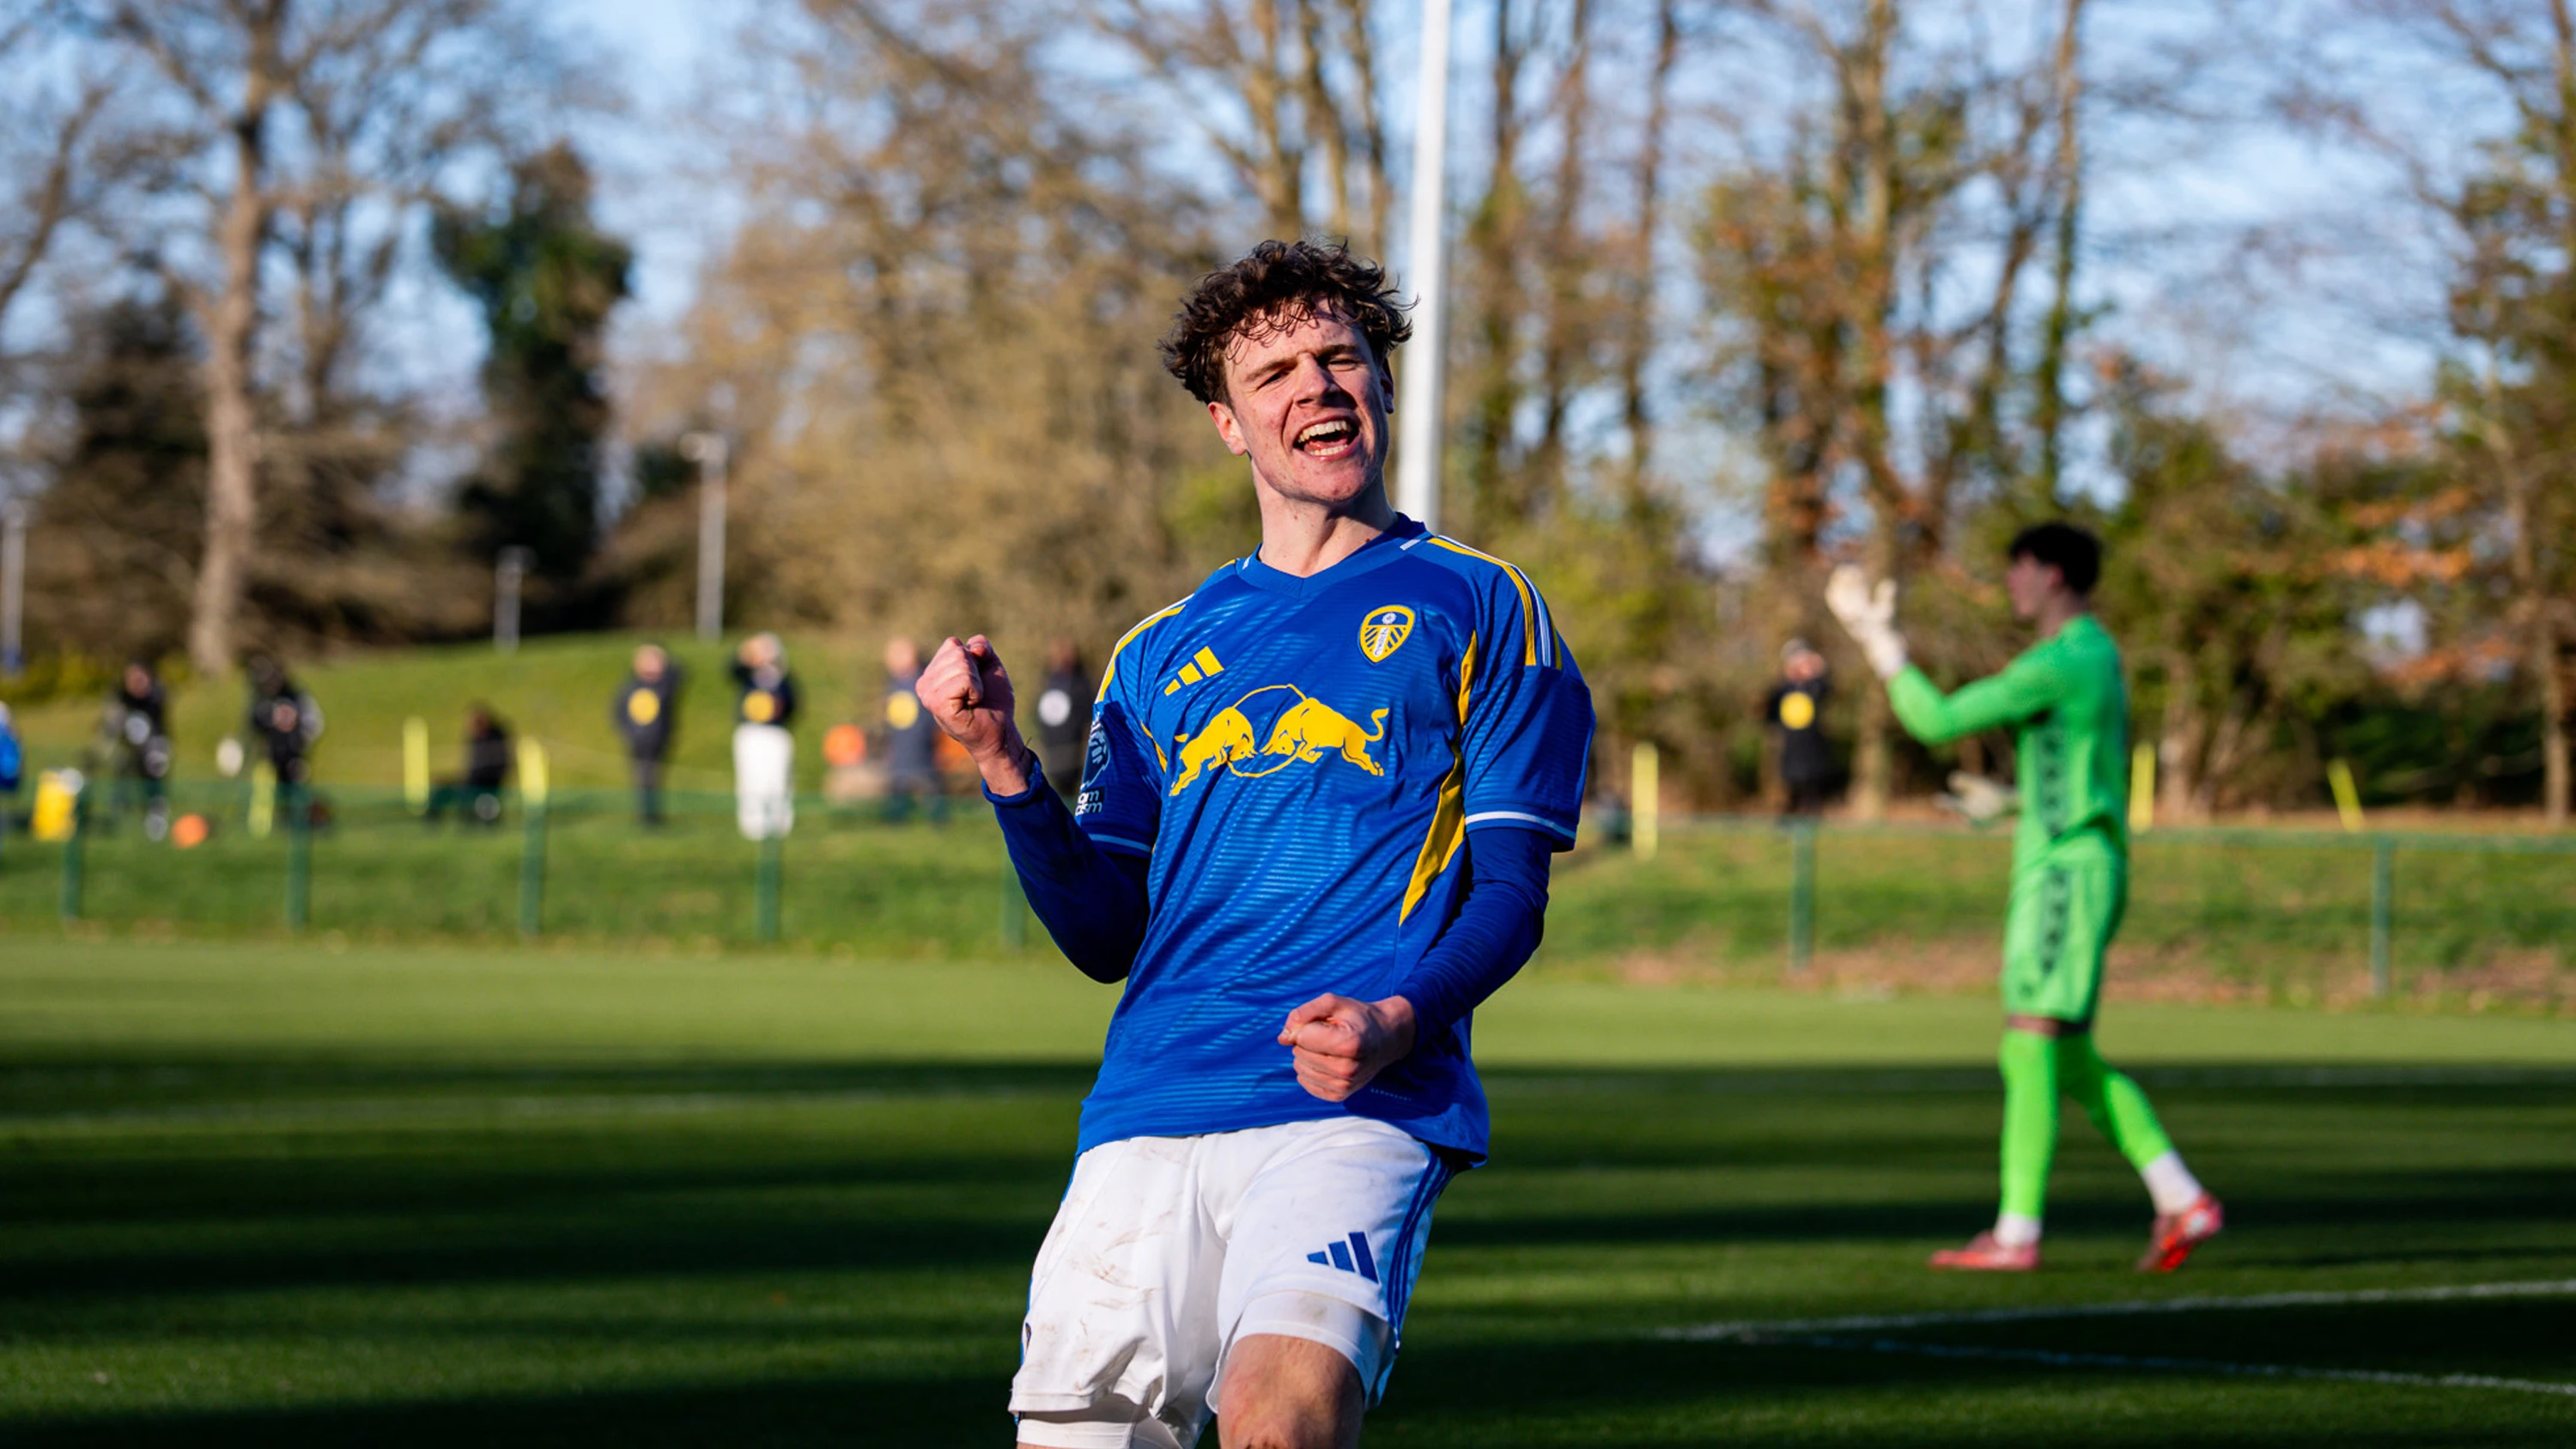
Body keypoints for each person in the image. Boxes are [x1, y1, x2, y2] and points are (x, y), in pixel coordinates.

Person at [920, 239, 1594, 1449]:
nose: (1317, 386)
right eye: (1275, 370)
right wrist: (1005, 762)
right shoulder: (1157, 653)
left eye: (1341, 356)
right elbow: (1102, 933)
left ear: (1382, 386)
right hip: (1149, 1103)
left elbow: (1511, 892)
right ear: (1231, 425)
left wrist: (1402, 1015)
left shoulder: (1485, 603)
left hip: (1355, 1105)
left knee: (1279, 1423)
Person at [1826, 522, 2222, 1274]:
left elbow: (1935, 720)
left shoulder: (2061, 661)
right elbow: (2084, 769)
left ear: (2052, 574)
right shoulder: (2096, 654)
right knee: (2063, 1054)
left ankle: (2016, 1234)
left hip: (2067, 873)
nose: (2010, 583)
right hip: (2072, 858)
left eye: (2019, 569)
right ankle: (2181, 1197)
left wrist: (1881, 644)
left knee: (2029, 1039)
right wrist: (2010, 803)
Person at [731, 633, 798, 840]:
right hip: (751, 733)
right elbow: (732, 669)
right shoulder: (748, 676)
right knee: (751, 777)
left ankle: (779, 823)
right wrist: (748, 652)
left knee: (777, 778)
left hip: (775, 733)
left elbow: (794, 705)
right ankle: (753, 824)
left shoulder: (784, 679)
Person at [101, 661, 174, 837]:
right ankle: (118, 817)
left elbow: (160, 728)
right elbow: (112, 724)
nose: (136, 682)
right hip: (129, 750)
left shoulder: (155, 697)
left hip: (153, 747)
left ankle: (156, 818)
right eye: (132, 678)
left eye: (140, 678)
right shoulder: (123, 698)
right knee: (122, 775)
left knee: (154, 779)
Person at [614, 643, 683, 825]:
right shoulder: (631, 685)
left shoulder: (664, 684)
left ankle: (653, 815)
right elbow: (618, 712)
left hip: (659, 739)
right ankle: (645, 816)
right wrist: (628, 733)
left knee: (655, 778)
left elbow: (681, 672)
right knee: (642, 778)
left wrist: (661, 658)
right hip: (638, 740)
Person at [1764, 639, 1834, 816]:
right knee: (1792, 798)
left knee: (1813, 800)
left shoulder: (1814, 688)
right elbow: (1769, 714)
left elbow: (1826, 689)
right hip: (1790, 755)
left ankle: (1808, 838)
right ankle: (1790, 835)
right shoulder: (1783, 690)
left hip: (1813, 754)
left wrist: (1816, 670)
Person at [878, 637, 941, 822]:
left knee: (932, 792)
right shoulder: (892, 685)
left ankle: (938, 822)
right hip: (899, 751)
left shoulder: (924, 683)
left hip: (923, 749)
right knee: (897, 796)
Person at [1030, 637, 1096, 804]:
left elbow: (1090, 712)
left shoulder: (1082, 684)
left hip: (1075, 752)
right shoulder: (1047, 682)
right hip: (1052, 751)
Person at [245, 656, 324, 790]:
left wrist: (300, 742)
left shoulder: (297, 697)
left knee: (295, 794)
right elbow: (254, 724)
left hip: (294, 758)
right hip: (269, 759)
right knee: (265, 796)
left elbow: (315, 723)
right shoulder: (264, 701)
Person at [425, 705, 512, 825]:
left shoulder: (496, 738)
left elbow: (498, 767)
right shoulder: (475, 739)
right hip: (470, 781)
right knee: (441, 787)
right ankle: (431, 822)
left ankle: (466, 821)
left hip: (485, 783)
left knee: (464, 792)